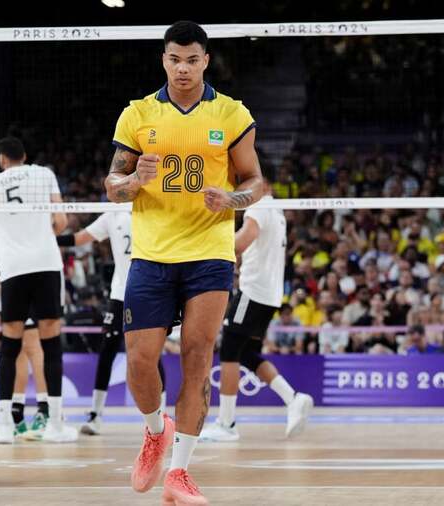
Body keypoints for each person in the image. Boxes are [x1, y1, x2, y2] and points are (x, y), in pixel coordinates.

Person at [103, 21, 264, 505]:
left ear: (205, 61)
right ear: (164, 59)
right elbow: (111, 185)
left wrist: (232, 199)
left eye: (192, 60)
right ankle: (156, 431)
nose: (183, 68)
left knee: (198, 357)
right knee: (139, 362)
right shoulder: (138, 113)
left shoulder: (231, 114)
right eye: (175, 59)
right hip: (152, 255)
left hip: (209, 255)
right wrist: (134, 181)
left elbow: (256, 182)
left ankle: (180, 473)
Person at [0, 136, 76, 444]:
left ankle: (5, 426)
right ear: (24, 155)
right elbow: (61, 220)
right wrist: (42, 233)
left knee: (10, 345)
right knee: (51, 344)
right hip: (46, 264)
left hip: (13, 269)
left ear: (2, 159)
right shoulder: (44, 174)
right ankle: (55, 425)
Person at [200, 189, 313, 443]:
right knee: (247, 354)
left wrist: (208, 243)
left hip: (253, 291)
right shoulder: (276, 210)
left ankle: (226, 424)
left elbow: (242, 241)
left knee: (228, 350)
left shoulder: (260, 205)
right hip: (269, 295)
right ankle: (293, 399)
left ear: (262, 184)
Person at [57, 212, 167, 435]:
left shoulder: (155, 208)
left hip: (151, 292)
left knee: (151, 354)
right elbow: (80, 238)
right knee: (107, 349)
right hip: (120, 293)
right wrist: (48, 239)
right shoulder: (112, 215)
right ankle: (96, 414)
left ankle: (161, 416)